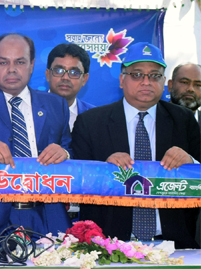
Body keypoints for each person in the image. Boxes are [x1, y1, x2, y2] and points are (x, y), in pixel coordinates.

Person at [72, 42, 200, 249]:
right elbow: (77, 179)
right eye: (137, 74)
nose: (146, 82)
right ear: (122, 80)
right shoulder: (91, 122)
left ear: (164, 81)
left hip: (174, 244)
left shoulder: (183, 120)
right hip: (108, 244)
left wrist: (191, 163)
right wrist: (104, 169)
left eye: (154, 76)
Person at [0, 33, 72, 240]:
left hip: (47, 217)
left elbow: (72, 152)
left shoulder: (56, 104)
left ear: (32, 65)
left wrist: (65, 154)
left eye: (20, 62)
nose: (12, 69)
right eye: (3, 62)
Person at [45, 43, 95, 131]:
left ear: (84, 79)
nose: (65, 78)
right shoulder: (28, 110)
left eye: (74, 73)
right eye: (59, 71)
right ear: (48, 75)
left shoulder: (95, 116)